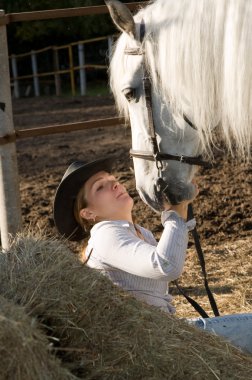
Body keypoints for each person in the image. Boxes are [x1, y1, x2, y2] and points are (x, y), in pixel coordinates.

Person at [53, 157, 252, 354]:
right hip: (152, 346)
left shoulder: (139, 232)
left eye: (112, 179)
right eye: (100, 187)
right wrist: (175, 214)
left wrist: (180, 207)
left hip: (163, 337)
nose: (114, 184)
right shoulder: (105, 235)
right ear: (87, 213)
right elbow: (165, 265)